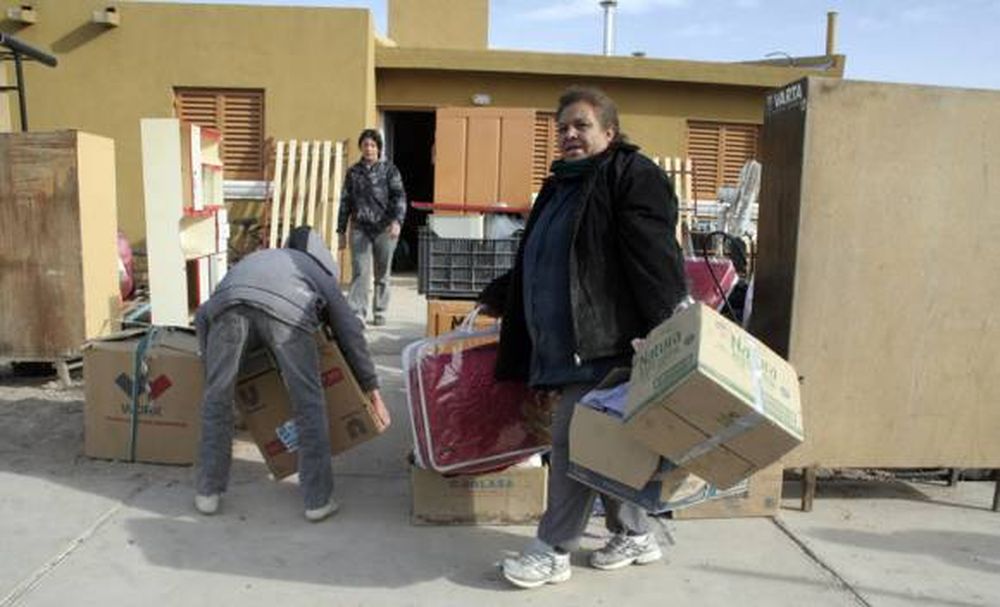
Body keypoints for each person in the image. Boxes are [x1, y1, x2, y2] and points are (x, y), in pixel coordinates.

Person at [478, 87, 687, 589]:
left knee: (575, 443)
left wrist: (665, 327)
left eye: (582, 126)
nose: (570, 134)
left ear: (609, 133)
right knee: (600, 445)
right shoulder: (561, 186)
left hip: (605, 342)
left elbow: (653, 255)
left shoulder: (630, 176)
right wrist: (499, 295)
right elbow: (544, 257)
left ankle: (552, 549)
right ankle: (635, 533)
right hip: (563, 345)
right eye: (563, 127)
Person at [193, 227, 383, 522]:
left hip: (227, 308)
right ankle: (317, 500)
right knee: (308, 400)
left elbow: (204, 316)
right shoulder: (314, 270)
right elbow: (349, 330)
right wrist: (371, 386)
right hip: (287, 313)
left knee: (217, 398)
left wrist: (211, 369)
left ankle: (208, 491)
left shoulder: (258, 258)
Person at [337, 129, 407, 327]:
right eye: (366, 145)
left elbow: (399, 197)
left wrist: (397, 222)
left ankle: (380, 311)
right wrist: (341, 231)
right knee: (360, 271)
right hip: (360, 228)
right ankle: (357, 312)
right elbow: (345, 202)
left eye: (373, 145)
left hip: (385, 228)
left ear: (378, 148)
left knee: (382, 272)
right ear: (361, 147)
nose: (369, 148)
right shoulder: (353, 172)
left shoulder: (389, 170)